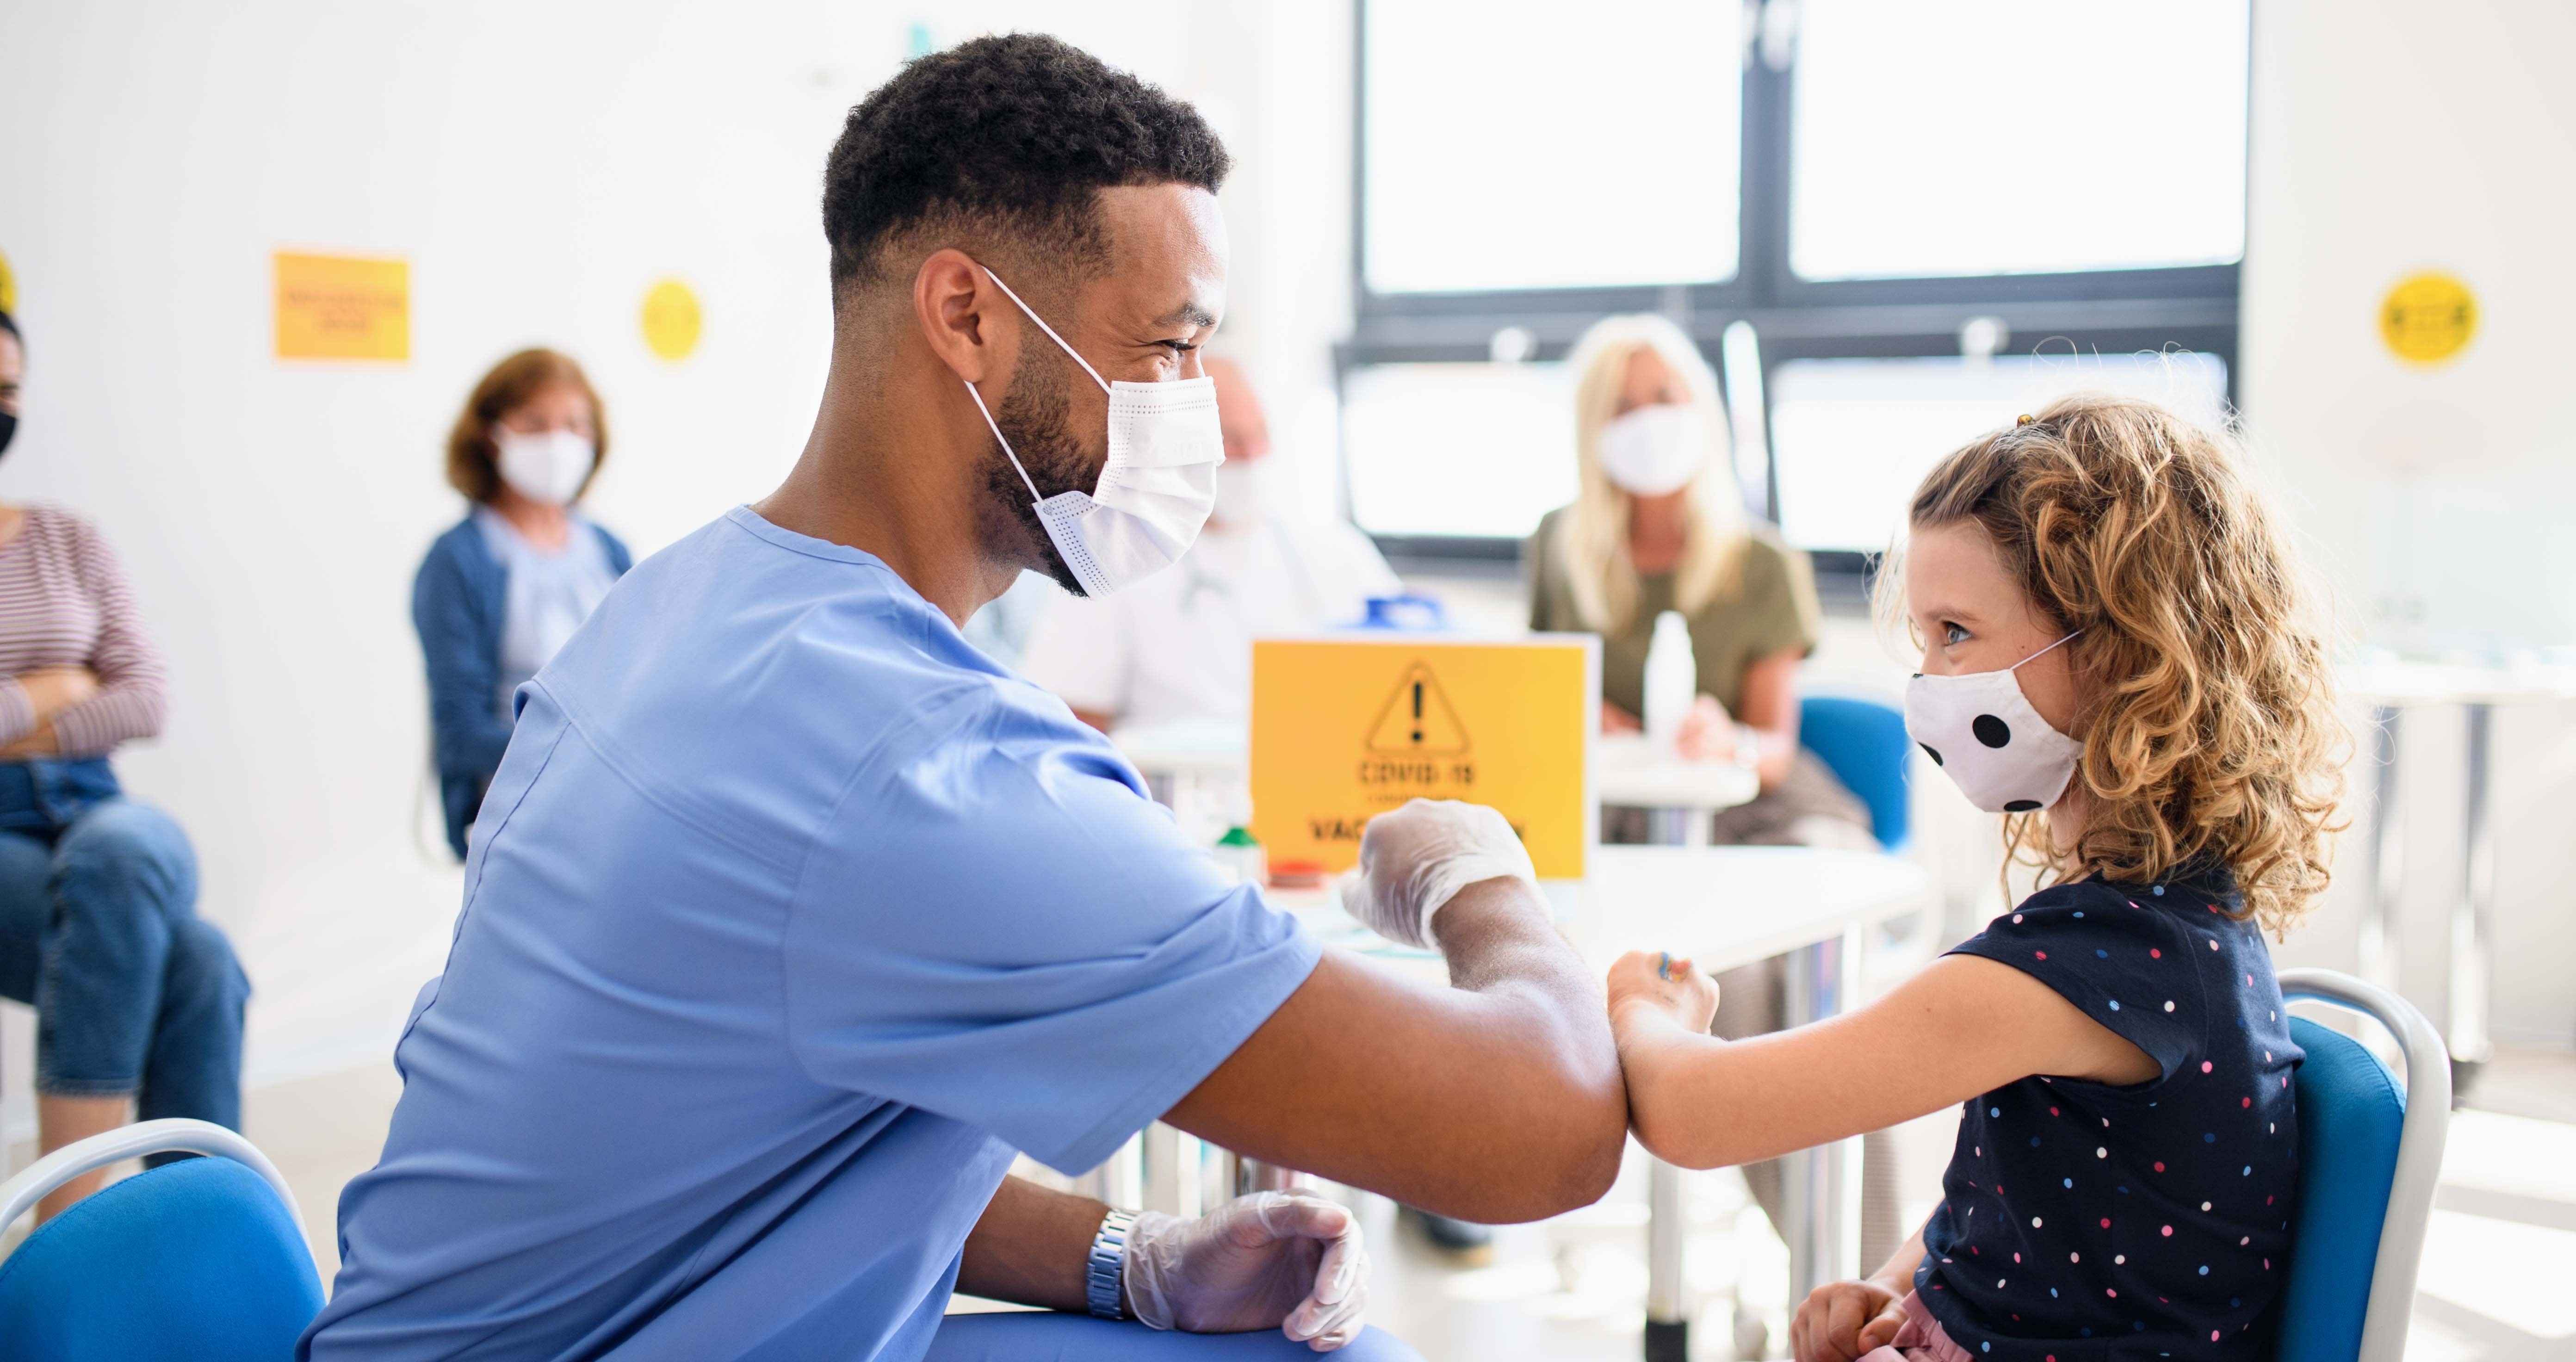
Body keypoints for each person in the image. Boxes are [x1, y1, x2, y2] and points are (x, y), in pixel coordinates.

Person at [304, 36, 1625, 1362]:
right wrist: (1471, 871)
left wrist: (1131, 1261)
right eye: (1167, 349)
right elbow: (1545, 1127)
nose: (1194, 415)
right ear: (969, 317)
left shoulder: (669, 610)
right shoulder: (919, 768)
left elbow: (768, 1137)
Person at [1609, 397, 2341, 1362]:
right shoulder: (2178, 929)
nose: (1930, 678)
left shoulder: (2074, 970)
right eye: (1923, 636)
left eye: (1956, 631)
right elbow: (2014, 1190)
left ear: (2123, 649)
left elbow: (1695, 1113)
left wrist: (1644, 1006)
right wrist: (1896, 1285)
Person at [1527, 312, 1899, 1298]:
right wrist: (1585, 718)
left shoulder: (1759, 560)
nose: (1649, 421)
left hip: (1756, 810)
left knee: (1783, 983)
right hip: (1614, 816)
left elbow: (1776, 743)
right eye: (1625, 404)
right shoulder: (1561, 551)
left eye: (1666, 399)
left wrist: (1727, 736)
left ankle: (1849, 1268)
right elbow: (1537, 697)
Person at [0, 309, 248, 1222]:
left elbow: (144, 696)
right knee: (201, 961)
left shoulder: (69, 537)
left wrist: (27, 710)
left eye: (10, 390)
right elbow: (101, 686)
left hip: (101, 809)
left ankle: (171, 1236)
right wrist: (55, 686)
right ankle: (83, 1235)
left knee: (124, 859)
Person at [1020, 355, 1400, 732]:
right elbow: (1072, 728)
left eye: (1259, 437)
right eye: (1232, 442)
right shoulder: (1113, 561)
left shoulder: (1338, 551)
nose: (1251, 458)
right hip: (1167, 788)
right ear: (1181, 445)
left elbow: (1407, 672)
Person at [411, 348, 632, 861]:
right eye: (536, 424)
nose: (559, 442)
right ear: (493, 435)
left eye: (576, 425)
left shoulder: (607, 548)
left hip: (616, 786)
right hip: (523, 803)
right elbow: (462, 734)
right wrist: (585, 753)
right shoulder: (460, 559)